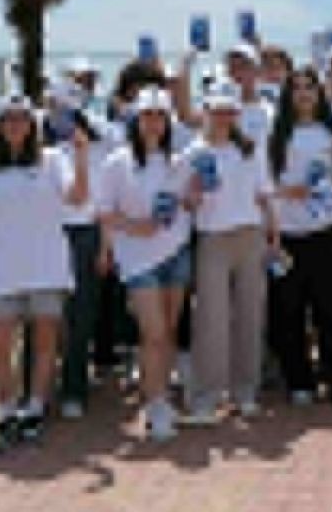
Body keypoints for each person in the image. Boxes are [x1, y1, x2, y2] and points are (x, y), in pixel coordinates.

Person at [0, 94, 90, 444]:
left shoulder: (52, 160)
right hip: (2, 272)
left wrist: (82, 156)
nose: (15, 125)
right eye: (8, 119)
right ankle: (7, 409)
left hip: (46, 267)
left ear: (33, 125)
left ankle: (34, 408)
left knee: (44, 343)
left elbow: (77, 198)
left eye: (22, 118)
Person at [267, 67, 332, 410]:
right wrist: (288, 193)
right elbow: (264, 186)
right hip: (288, 233)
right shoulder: (276, 135)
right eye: (296, 88)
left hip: (328, 229)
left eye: (310, 87)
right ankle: (299, 381)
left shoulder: (331, 133)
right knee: (289, 312)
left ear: (319, 93)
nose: (304, 94)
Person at [98, 87, 193, 441]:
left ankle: (161, 397)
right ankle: (154, 403)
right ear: (136, 121)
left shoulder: (178, 161)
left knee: (168, 331)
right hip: (138, 259)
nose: (153, 123)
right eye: (147, 116)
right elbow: (103, 211)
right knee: (152, 332)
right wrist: (132, 228)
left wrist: (194, 196)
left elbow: (186, 203)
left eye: (159, 116)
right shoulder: (117, 163)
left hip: (176, 252)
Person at [183, 79, 279, 425]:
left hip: (250, 235)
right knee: (211, 319)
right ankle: (207, 396)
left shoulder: (251, 149)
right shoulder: (193, 152)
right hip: (212, 238)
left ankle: (245, 391)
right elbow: (187, 203)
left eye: (229, 112)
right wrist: (194, 192)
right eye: (217, 111)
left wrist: (274, 233)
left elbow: (264, 194)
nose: (223, 117)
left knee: (250, 315)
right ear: (206, 111)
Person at [47, 82, 118, 420]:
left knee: (81, 315)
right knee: (46, 316)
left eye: (66, 108)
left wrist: (105, 246)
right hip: (45, 236)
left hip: (85, 234)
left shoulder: (99, 145)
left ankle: (74, 388)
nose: (60, 114)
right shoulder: (39, 148)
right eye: (54, 107)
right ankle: (39, 390)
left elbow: (103, 203)